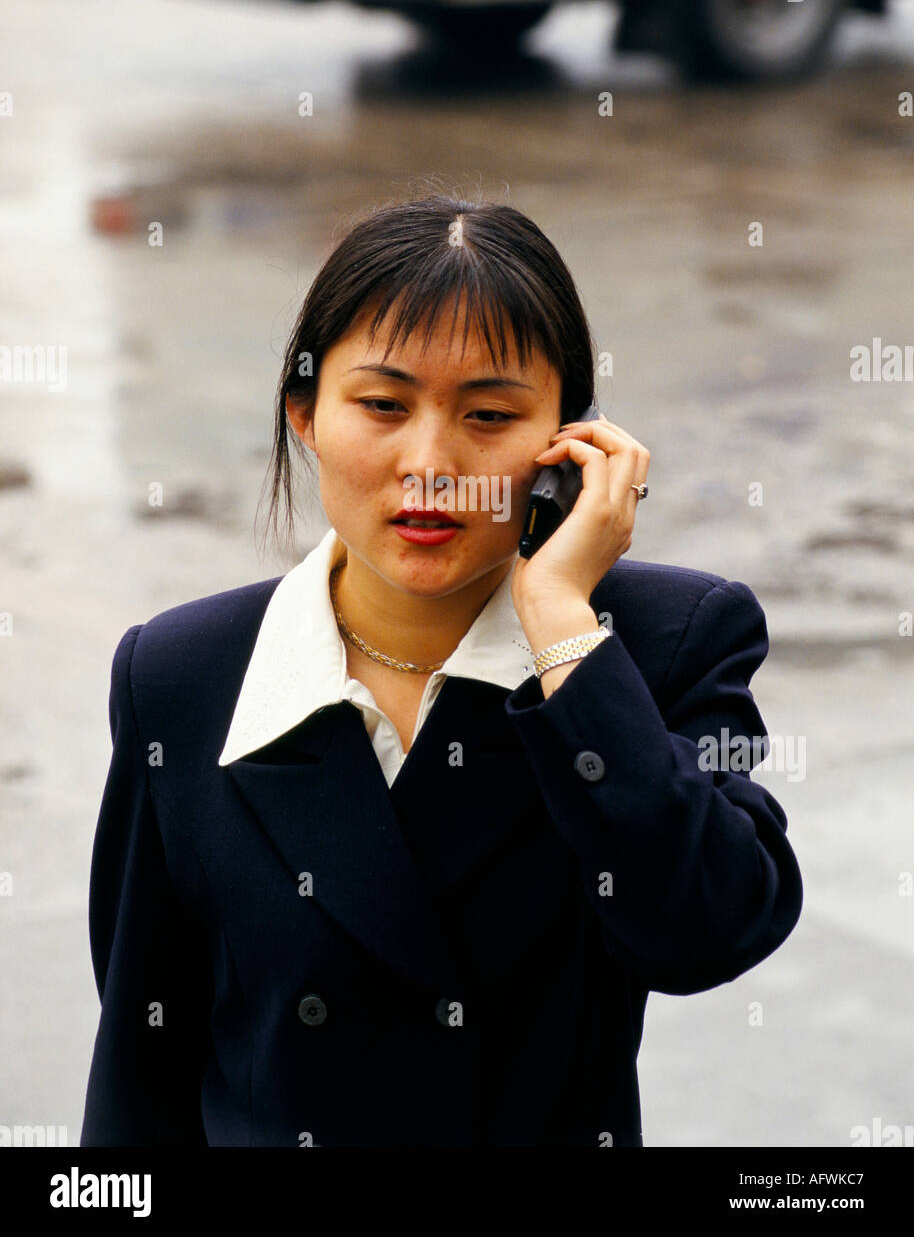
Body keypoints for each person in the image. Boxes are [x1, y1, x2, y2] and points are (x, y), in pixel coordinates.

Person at [80, 193, 802, 1148]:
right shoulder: (181, 675)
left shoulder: (661, 643)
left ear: (567, 448)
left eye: (490, 414)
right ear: (304, 412)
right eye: (382, 405)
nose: (430, 465)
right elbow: (143, 1061)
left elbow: (710, 928)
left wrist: (562, 630)